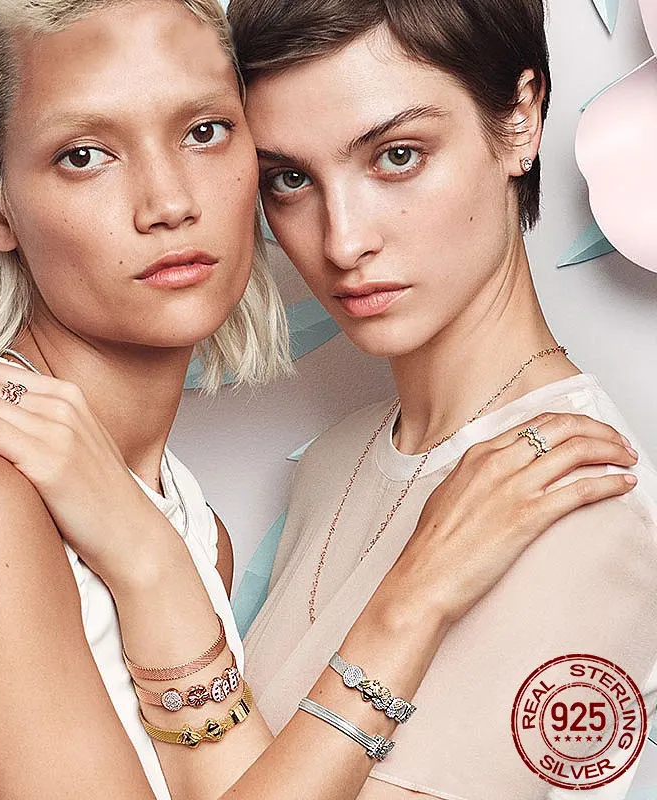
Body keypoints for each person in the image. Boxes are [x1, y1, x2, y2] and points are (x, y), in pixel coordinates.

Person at [0, 1, 644, 799]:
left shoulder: (572, 497)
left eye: (203, 132)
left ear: (521, 117)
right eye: (85, 155)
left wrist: (153, 556)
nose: (168, 205)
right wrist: (409, 603)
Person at [224, 0, 657, 797]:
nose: (342, 240)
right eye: (290, 178)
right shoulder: (335, 461)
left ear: (520, 118)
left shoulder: (579, 504)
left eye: (397, 155)